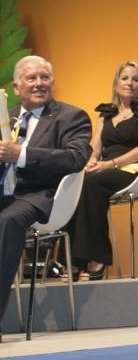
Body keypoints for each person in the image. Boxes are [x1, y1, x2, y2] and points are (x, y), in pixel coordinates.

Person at [0, 56, 91, 342]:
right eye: (31, 78)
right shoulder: (7, 116)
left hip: (41, 196)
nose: (39, 84)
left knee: (7, 221)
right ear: (17, 87)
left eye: (44, 78)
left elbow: (76, 158)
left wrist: (22, 155)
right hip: (6, 193)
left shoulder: (71, 116)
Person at [62, 60, 138, 280]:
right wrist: (91, 162)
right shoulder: (106, 113)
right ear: (117, 82)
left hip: (132, 169)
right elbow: (96, 147)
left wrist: (110, 164)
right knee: (74, 182)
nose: (130, 83)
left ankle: (96, 256)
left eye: (135, 79)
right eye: (125, 78)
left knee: (91, 184)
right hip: (105, 167)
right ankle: (74, 259)